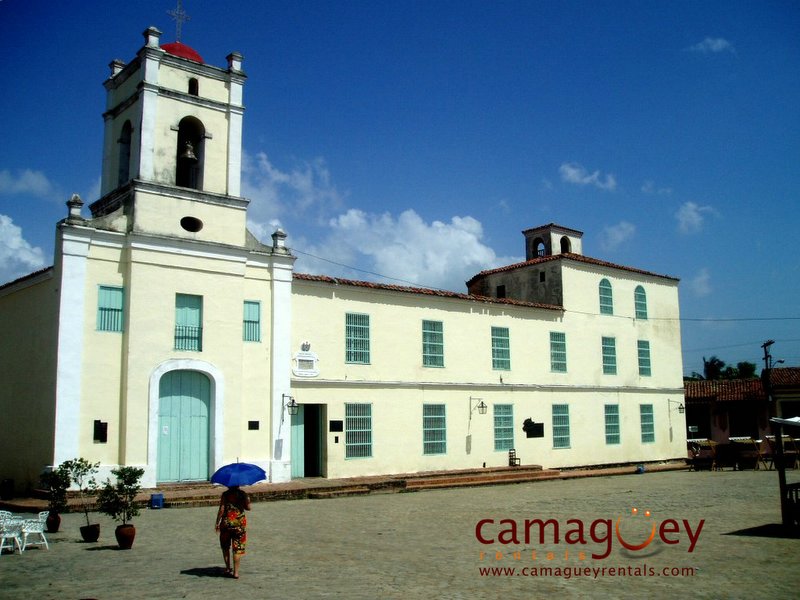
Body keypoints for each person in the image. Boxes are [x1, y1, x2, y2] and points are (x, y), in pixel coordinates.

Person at [214, 486, 251, 578]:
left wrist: (217, 522)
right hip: (239, 524)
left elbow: (221, 510)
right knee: (237, 548)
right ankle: (236, 572)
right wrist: (247, 501)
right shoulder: (243, 494)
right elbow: (248, 508)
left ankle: (227, 568)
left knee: (225, 546)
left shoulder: (225, 495)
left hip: (226, 523)